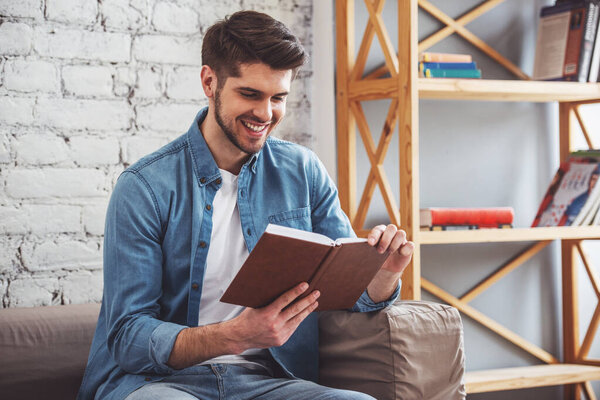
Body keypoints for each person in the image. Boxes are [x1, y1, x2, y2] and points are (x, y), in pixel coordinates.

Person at [77, 10, 415, 400]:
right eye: (250, 94)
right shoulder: (145, 187)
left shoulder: (302, 172)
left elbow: (349, 292)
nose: (266, 113)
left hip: (269, 380)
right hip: (159, 384)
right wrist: (236, 334)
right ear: (209, 82)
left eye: (278, 98)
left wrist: (384, 273)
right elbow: (129, 337)